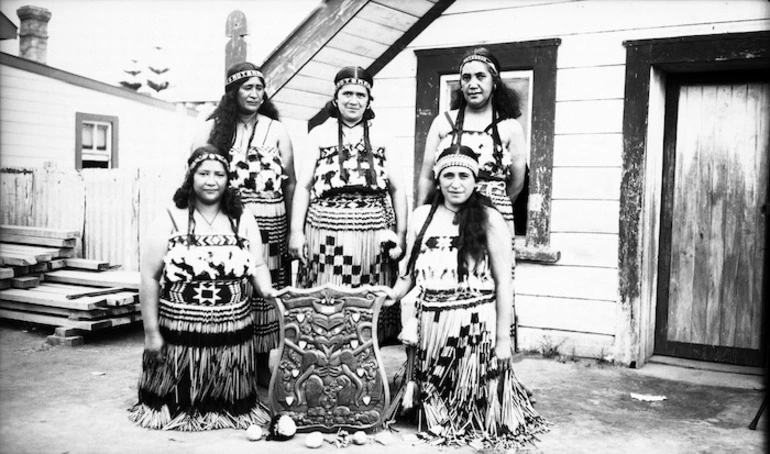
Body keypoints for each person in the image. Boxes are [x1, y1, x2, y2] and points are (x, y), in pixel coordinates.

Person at [386, 145, 545, 449]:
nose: (455, 182)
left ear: (475, 180)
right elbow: (407, 275)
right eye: (448, 175)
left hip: (475, 325)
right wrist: (391, 295)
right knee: (435, 409)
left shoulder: (490, 218)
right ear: (438, 178)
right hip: (432, 325)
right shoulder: (422, 217)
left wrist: (502, 341)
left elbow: (503, 284)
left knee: (478, 409)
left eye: (463, 175)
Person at [129, 146, 276, 431]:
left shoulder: (242, 218)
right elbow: (149, 276)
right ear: (190, 176)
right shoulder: (170, 218)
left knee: (232, 400)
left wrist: (269, 293)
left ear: (228, 178)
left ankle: (227, 408)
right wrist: (151, 333)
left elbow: (257, 265)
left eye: (219, 174)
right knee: (178, 402)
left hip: (232, 331)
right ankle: (183, 408)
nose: (212, 180)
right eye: (204, 173)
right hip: (181, 331)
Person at [191, 62, 296, 386]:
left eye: (258, 88)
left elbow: (290, 182)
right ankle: (228, 362)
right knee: (233, 286)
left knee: (267, 290)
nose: (253, 94)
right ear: (232, 91)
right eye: (246, 87)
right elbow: (195, 175)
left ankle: (263, 365)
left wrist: (293, 227)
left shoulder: (276, 129)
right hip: (230, 221)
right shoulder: (212, 128)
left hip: (272, 220)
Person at [288, 66, 407, 343]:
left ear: (369, 100)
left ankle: (366, 362)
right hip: (325, 230)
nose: (353, 100)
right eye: (347, 93)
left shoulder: (384, 136)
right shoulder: (318, 134)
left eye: (360, 94)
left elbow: (398, 189)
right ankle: (323, 357)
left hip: (373, 231)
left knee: (367, 297)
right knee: (327, 294)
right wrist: (296, 232)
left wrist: (400, 236)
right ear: (336, 96)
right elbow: (304, 187)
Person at [415, 47, 526, 339]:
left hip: (494, 212)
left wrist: (492, 205)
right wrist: (421, 218)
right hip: (447, 211)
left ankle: (492, 351)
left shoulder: (510, 127)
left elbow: (516, 183)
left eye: (480, 76)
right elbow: (427, 175)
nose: (472, 84)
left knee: (493, 279)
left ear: (495, 82)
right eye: (465, 77)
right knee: (447, 277)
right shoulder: (444, 123)